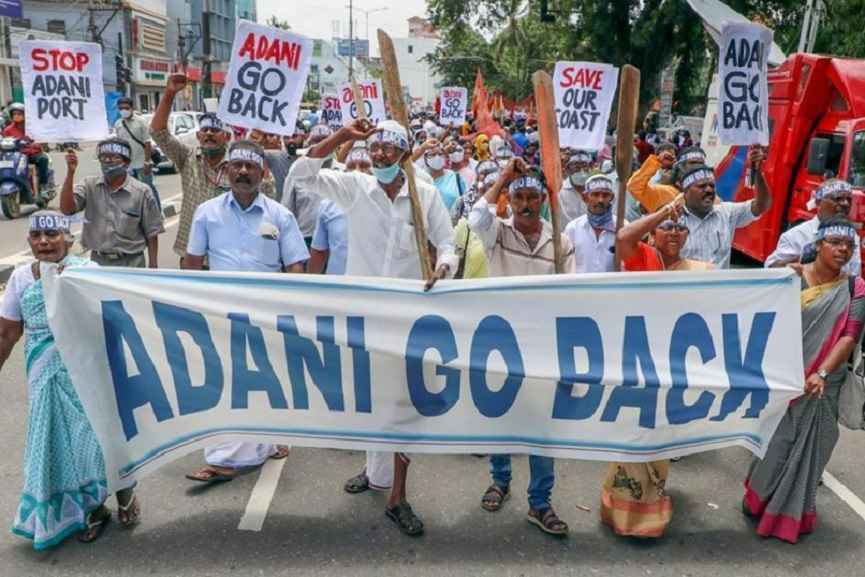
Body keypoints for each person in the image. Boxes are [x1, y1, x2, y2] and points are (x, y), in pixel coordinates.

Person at [288, 118, 457, 537]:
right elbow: (301, 175)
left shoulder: (426, 196)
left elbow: (448, 244)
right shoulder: (355, 187)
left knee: (400, 403)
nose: (379, 155)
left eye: (388, 149)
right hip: (362, 314)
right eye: (375, 148)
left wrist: (443, 266)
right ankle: (374, 470)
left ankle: (397, 496)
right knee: (367, 396)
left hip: (406, 316)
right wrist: (343, 137)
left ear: (403, 154)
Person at [0, 211, 140, 549]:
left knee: (94, 441)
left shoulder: (87, 273)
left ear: (68, 239)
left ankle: (124, 495)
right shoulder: (21, 278)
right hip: (43, 376)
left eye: (52, 236)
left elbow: (112, 321)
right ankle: (91, 510)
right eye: (36, 236)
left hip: (85, 374)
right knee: (55, 444)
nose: (44, 242)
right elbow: (7, 332)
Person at [182, 140, 307, 483]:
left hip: (267, 313)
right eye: (236, 165)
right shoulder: (206, 212)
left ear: (263, 172)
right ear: (226, 170)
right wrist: (195, 304)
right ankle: (222, 457)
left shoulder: (280, 215)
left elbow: (297, 263)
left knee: (265, 379)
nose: (242, 172)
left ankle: (266, 442)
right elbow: (193, 261)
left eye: (250, 166)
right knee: (225, 379)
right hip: (221, 312)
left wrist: (288, 304)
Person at [469, 158, 575, 536]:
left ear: (544, 201)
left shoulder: (559, 240)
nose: (527, 204)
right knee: (502, 417)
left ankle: (540, 502)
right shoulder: (497, 233)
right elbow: (475, 217)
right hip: (502, 344)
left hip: (543, 347)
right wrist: (502, 178)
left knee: (542, 426)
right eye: (520, 198)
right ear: (510, 202)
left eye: (533, 197)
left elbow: (572, 296)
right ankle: (500, 479)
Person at [744, 216, 865, 543]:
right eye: (836, 243)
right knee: (775, 444)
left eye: (849, 246)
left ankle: (790, 514)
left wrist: (822, 372)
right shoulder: (790, 278)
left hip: (824, 384)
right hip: (784, 380)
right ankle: (759, 500)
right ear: (818, 245)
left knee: (815, 449)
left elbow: (849, 336)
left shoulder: (855, 287)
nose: (843, 250)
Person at [601, 197, 712, 539]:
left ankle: (650, 509)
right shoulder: (644, 258)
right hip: (636, 363)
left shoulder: (701, 271)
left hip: (675, 369)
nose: (675, 231)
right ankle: (622, 512)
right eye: (667, 227)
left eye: (681, 227)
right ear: (653, 233)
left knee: (661, 439)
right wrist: (665, 210)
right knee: (634, 435)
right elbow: (622, 238)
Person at [150, 73, 276, 261]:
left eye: (215, 130)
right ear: (198, 136)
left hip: (228, 254)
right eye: (205, 130)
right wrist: (169, 93)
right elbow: (158, 133)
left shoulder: (240, 165)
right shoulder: (187, 157)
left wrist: (259, 153)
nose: (209, 134)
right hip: (191, 253)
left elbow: (267, 193)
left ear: (226, 136)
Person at [59, 138, 163, 268]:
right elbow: (67, 209)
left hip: (132, 263)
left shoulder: (142, 192)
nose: (107, 161)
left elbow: (152, 232)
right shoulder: (89, 185)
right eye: (103, 157)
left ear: (126, 163)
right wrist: (70, 173)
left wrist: (153, 266)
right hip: (98, 263)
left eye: (114, 157)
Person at [677, 147, 771, 268]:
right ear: (685, 191)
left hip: (719, 286)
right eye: (701, 186)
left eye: (712, 185)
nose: (709, 190)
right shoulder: (673, 219)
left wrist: (757, 172)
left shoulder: (727, 212)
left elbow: (761, 205)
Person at [765, 179, 861, 275]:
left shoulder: (853, 237)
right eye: (837, 198)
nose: (845, 204)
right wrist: (800, 260)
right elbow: (769, 270)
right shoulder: (795, 235)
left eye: (849, 199)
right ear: (819, 202)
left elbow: (855, 275)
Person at [564, 174, 619, 273]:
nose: (600, 200)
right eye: (595, 194)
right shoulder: (573, 228)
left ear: (611, 198)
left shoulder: (621, 226)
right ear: (585, 197)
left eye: (605, 195)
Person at [114, 96, 160, 209]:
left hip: (142, 163)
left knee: (149, 189)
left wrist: (147, 162)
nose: (123, 111)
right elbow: (119, 144)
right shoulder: (118, 124)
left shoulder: (141, 121)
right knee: (130, 191)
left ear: (132, 108)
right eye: (121, 108)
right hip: (127, 165)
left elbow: (147, 143)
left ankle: (157, 212)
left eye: (126, 108)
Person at [2, 102, 52, 191]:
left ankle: (43, 185)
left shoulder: (32, 127)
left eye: (19, 114)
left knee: (43, 159)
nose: (16, 116)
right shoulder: (7, 130)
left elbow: (41, 138)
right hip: (16, 155)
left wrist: (37, 143)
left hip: (32, 154)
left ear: (25, 115)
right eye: (14, 114)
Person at [422, 141, 467, 213]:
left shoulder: (455, 177)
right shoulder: (423, 180)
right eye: (432, 155)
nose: (437, 157)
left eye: (440, 154)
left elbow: (466, 200)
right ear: (425, 159)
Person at [559, 150, 593, 227]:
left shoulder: (596, 191)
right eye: (577, 167)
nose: (581, 171)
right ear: (567, 169)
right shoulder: (559, 191)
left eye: (584, 166)